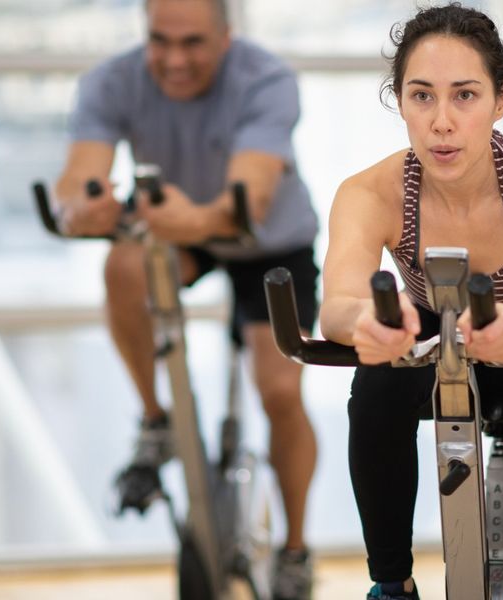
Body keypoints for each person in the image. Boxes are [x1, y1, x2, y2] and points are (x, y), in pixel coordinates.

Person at [319, 5, 503, 599]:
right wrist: (367, 324)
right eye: (422, 96)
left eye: (466, 96)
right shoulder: (369, 192)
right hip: (435, 337)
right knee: (374, 379)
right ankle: (391, 583)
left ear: (502, 100)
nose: (442, 123)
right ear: (398, 101)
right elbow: (336, 307)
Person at [54, 0, 320, 596]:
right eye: (160, 41)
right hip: (180, 232)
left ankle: (296, 550)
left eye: (193, 43)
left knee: (279, 393)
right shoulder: (111, 81)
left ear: (226, 38)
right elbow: (76, 181)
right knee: (124, 266)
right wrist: (81, 208)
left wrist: (190, 219)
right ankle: (157, 421)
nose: (174, 59)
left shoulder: (267, 79)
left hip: (267, 239)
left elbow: (247, 202)